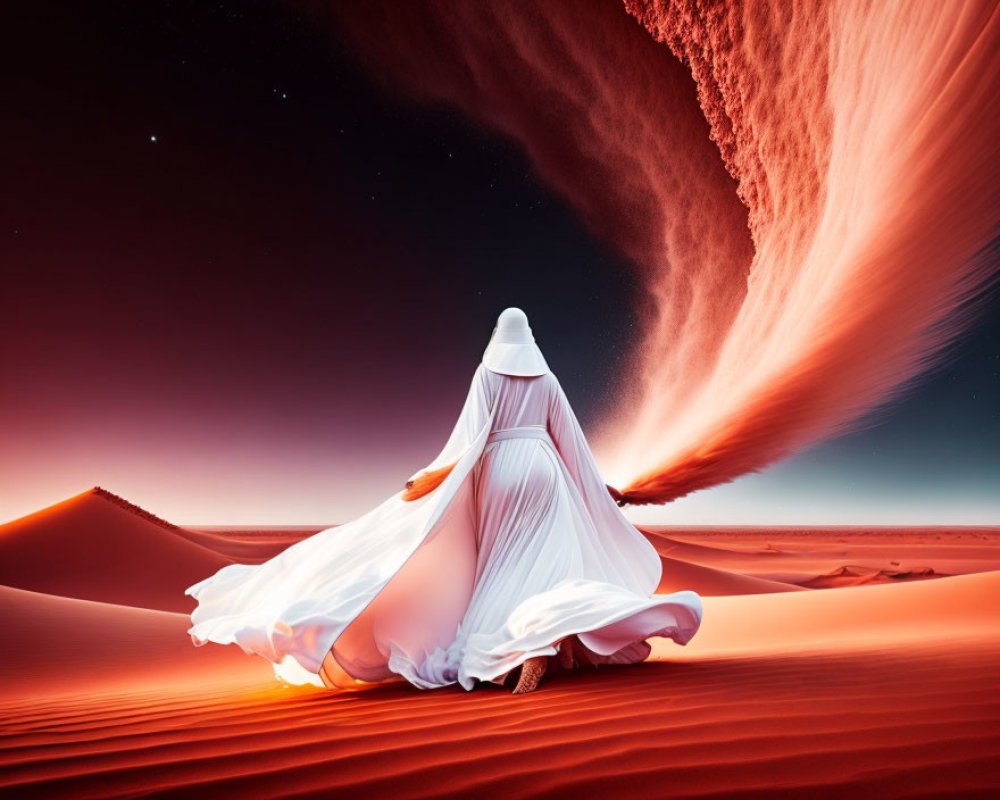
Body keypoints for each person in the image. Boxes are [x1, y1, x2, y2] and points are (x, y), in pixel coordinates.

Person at [185, 307, 703, 694]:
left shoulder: (487, 375)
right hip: (544, 473)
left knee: (502, 567)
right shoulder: (546, 378)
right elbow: (571, 442)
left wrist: (430, 480)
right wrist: (601, 490)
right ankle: (546, 643)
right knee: (546, 565)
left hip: (498, 473)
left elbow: (470, 440)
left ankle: (517, 649)